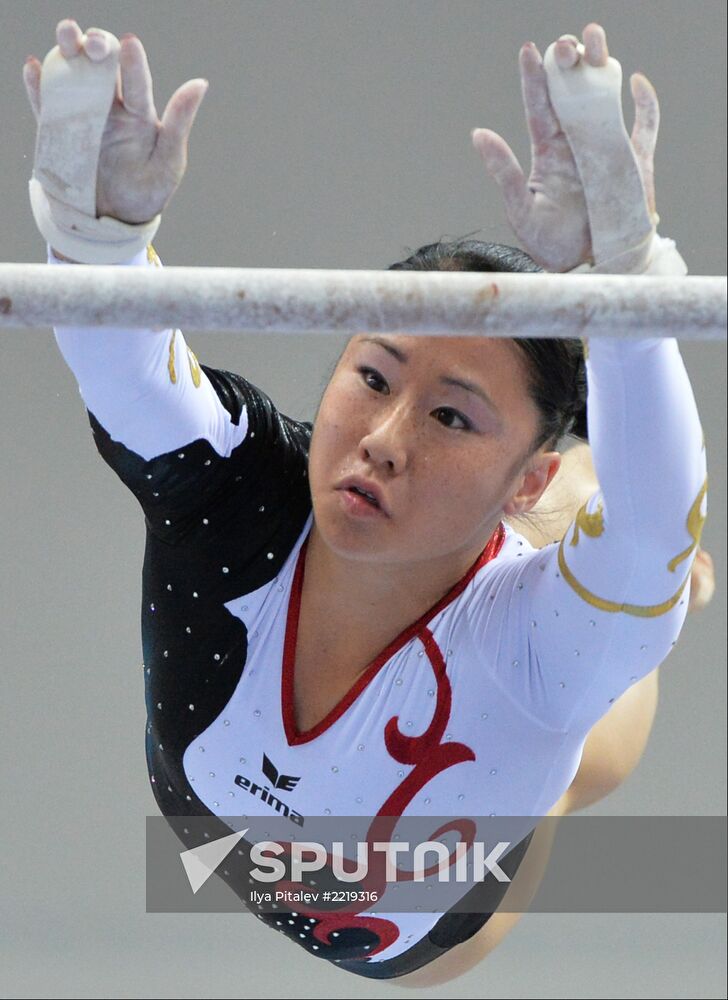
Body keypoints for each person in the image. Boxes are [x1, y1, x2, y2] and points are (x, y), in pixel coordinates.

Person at [22, 19, 712, 986]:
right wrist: (98, 241)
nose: (384, 441)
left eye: (451, 418)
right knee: (627, 590)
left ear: (521, 472)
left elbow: (648, 542)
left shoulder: (534, 652)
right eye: (375, 378)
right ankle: (592, 513)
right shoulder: (241, 495)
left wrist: (630, 290)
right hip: (272, 842)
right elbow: (131, 376)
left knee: (632, 605)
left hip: (442, 932)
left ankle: (589, 498)